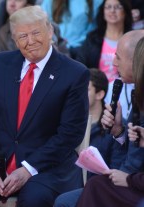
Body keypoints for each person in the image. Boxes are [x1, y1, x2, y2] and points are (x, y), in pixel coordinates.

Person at [0, 6, 90, 207]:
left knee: (33, 200)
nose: (31, 41)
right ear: (15, 40)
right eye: (23, 36)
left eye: (36, 33)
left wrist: (27, 169)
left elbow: (70, 133)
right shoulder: (0, 64)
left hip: (46, 167)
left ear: (50, 31)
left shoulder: (74, 73)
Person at [77, 32, 144, 207]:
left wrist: (130, 179)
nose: (113, 64)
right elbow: (132, 153)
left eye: (118, 58)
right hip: (130, 179)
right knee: (66, 200)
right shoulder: (137, 96)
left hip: (135, 184)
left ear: (136, 61)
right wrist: (118, 131)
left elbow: (135, 162)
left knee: (95, 186)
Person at [53, 68, 127, 207]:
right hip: (68, 183)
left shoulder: (114, 125)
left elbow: (119, 166)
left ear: (99, 94)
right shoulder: (68, 123)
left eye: (85, 89)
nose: (79, 94)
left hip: (100, 187)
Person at [76, 0, 133, 83]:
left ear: (125, 11)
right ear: (103, 12)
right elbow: (80, 64)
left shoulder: (132, 39)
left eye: (117, 7)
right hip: (97, 89)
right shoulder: (92, 38)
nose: (112, 11)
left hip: (125, 88)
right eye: (108, 7)